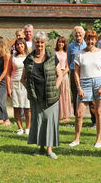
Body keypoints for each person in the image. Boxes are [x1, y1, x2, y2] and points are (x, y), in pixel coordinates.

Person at [23, 31, 62, 159]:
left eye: (42, 42)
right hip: (36, 96)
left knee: (49, 121)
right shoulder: (29, 58)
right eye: (37, 42)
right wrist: (29, 89)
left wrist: (55, 89)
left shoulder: (51, 56)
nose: (39, 44)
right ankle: (40, 148)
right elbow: (23, 78)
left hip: (51, 96)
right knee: (38, 121)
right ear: (34, 43)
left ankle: (49, 149)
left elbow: (60, 75)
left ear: (45, 43)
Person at [70, 30, 101, 148]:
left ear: (96, 40)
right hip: (84, 83)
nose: (90, 41)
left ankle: (98, 139)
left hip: (98, 82)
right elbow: (76, 72)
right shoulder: (80, 54)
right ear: (85, 40)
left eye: (93, 39)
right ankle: (76, 139)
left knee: (99, 112)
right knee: (79, 113)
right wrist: (79, 87)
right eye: (88, 39)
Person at [10, 38, 31, 134]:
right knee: (16, 106)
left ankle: (28, 127)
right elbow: (8, 72)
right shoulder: (13, 56)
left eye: (21, 44)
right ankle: (20, 128)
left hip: (26, 84)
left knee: (27, 107)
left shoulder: (29, 56)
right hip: (15, 83)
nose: (20, 46)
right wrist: (8, 87)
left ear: (25, 45)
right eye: (18, 44)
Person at [67, 26, 87, 120]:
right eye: (76, 33)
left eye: (80, 33)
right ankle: (77, 116)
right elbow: (69, 59)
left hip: (85, 72)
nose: (78, 34)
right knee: (75, 94)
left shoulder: (87, 45)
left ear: (83, 34)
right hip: (74, 72)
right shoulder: (70, 46)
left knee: (87, 94)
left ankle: (91, 119)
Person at [0, 37, 11, 125]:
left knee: (0, 99)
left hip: (2, 80)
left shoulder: (6, 55)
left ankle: (7, 119)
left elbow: (6, 70)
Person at [55, 37, 73, 122]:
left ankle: (65, 116)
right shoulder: (54, 53)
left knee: (64, 95)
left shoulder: (67, 53)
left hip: (64, 74)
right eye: (59, 42)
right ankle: (57, 115)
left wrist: (61, 74)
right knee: (56, 95)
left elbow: (68, 66)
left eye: (62, 42)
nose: (60, 44)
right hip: (55, 75)